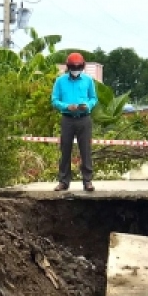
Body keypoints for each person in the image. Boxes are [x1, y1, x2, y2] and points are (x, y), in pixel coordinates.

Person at [52, 53, 98, 192]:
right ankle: (63, 181)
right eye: (73, 67)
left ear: (82, 66)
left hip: (84, 118)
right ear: (68, 67)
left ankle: (87, 181)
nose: (75, 69)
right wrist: (66, 106)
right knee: (65, 150)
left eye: (78, 67)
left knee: (85, 150)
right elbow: (54, 100)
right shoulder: (60, 81)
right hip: (67, 119)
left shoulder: (88, 80)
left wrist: (88, 105)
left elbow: (93, 98)